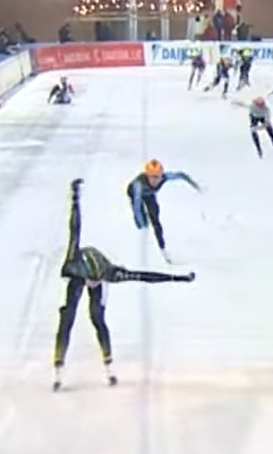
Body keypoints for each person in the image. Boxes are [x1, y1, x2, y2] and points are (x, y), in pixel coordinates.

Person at [53, 179, 196, 392]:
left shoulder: (110, 273)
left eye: (96, 281)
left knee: (97, 318)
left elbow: (143, 276)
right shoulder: (73, 265)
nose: (93, 284)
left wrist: (177, 278)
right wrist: (75, 199)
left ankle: (108, 363)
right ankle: (59, 366)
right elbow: (75, 228)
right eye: (92, 281)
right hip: (78, 273)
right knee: (67, 318)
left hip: (98, 268)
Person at [126, 159, 202, 263]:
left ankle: (163, 249)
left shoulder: (165, 177)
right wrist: (141, 223)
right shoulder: (138, 185)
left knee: (156, 220)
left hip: (149, 194)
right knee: (142, 222)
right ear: (147, 176)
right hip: (135, 194)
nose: (156, 180)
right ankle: (141, 243)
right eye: (152, 177)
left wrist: (196, 186)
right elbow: (137, 205)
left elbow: (181, 175)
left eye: (158, 177)